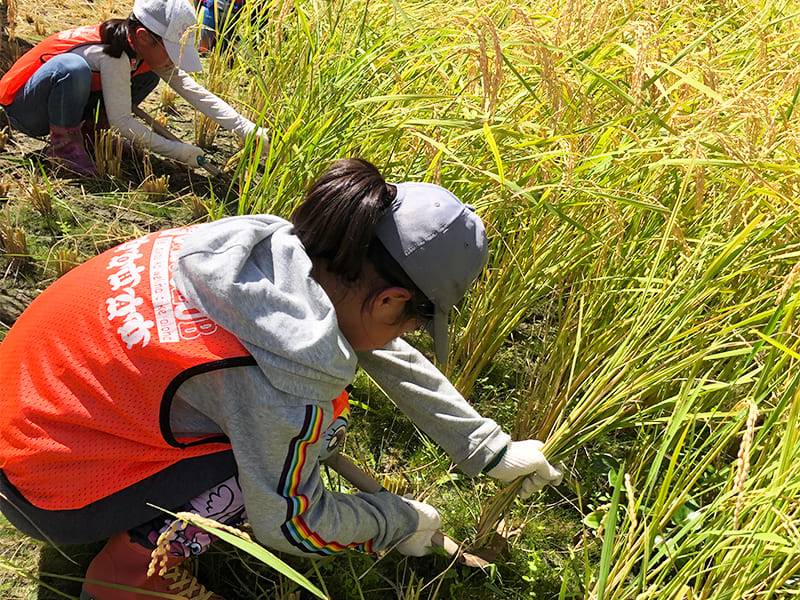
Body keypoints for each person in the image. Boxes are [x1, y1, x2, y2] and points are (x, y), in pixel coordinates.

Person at [0, 158, 563, 600]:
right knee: (281, 453)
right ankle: (129, 575)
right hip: (47, 494)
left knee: (286, 435)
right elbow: (291, 525)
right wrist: (397, 522)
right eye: (415, 319)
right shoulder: (281, 382)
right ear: (390, 298)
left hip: (30, 414)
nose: (407, 335)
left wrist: (487, 449)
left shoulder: (256, 252)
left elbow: (372, 340)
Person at [0, 0, 268, 177]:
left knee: (147, 77)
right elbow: (123, 122)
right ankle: (65, 148)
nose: (174, 60)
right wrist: (181, 152)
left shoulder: (143, 52)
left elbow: (192, 90)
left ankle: (92, 135)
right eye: (172, 51)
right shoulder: (113, 53)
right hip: (24, 110)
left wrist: (246, 129)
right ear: (143, 37)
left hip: (62, 101)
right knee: (73, 68)